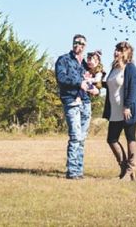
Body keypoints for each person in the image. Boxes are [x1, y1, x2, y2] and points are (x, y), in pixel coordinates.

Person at [55, 34, 98, 180]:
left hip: (85, 102)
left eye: (81, 43)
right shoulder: (64, 60)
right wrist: (78, 82)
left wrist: (95, 88)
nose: (77, 44)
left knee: (82, 138)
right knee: (75, 136)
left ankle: (79, 170)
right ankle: (72, 172)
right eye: (75, 42)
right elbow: (61, 78)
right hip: (72, 101)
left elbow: (91, 79)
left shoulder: (86, 64)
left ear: (85, 46)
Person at [102, 41, 136, 181]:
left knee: (130, 137)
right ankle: (124, 169)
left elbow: (134, 89)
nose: (116, 52)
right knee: (111, 139)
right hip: (114, 110)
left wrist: (127, 106)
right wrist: (97, 81)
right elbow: (111, 86)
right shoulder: (114, 68)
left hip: (128, 109)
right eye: (116, 50)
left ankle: (130, 169)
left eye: (119, 50)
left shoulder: (130, 68)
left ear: (126, 52)